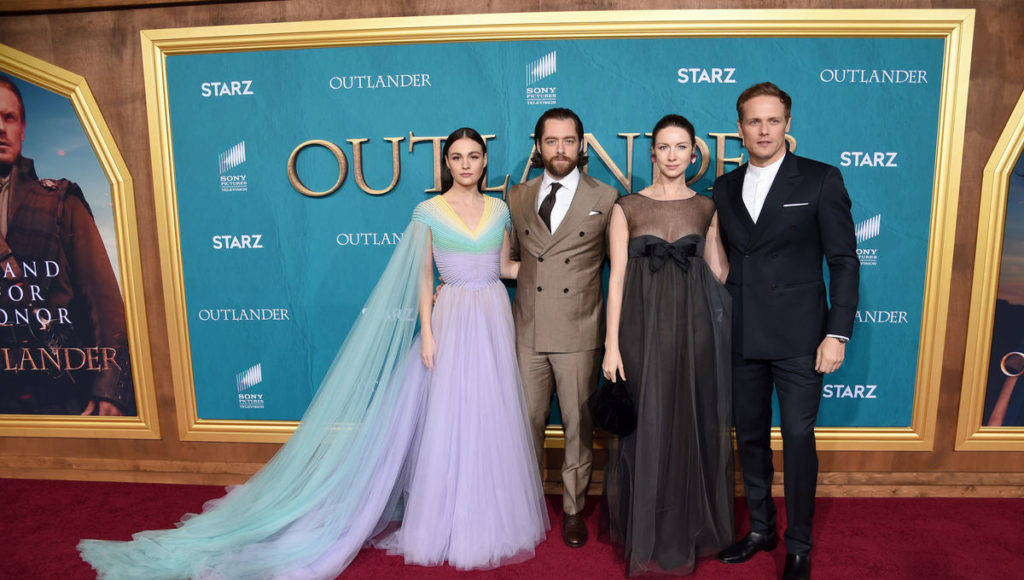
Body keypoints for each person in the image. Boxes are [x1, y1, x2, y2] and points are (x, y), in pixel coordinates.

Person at [79, 127, 548, 578]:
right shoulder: (428, 211)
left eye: (473, 157)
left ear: (484, 161)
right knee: (448, 417)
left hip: (492, 316)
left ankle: (485, 513)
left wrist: (550, 262)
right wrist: (427, 332)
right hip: (451, 319)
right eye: (457, 157)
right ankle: (443, 519)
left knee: (487, 414)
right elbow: (424, 277)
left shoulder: (500, 210)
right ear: (446, 162)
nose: (465, 164)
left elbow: (505, 266)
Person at [712, 82, 859, 580]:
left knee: (797, 436)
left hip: (802, 337)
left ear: (787, 125)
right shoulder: (724, 187)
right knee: (750, 435)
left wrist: (837, 334)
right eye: (754, 121)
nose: (764, 130)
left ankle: (799, 544)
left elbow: (844, 262)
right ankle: (761, 529)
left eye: (772, 120)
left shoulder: (820, 179)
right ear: (739, 128)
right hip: (743, 333)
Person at [600, 114, 734, 576]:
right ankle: (646, 529)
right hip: (639, 333)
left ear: (694, 155)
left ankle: (683, 526)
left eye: (681, 147)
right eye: (664, 147)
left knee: (687, 423)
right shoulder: (627, 207)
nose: (672, 155)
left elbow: (718, 271)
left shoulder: (707, 207)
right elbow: (616, 280)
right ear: (652, 153)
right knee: (648, 423)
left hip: (694, 333)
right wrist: (611, 345)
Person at [507, 107, 618, 547]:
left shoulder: (606, 197)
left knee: (577, 424)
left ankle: (573, 509)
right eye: (551, 141)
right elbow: (506, 259)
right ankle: (526, 504)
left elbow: (620, 269)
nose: (560, 149)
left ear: (582, 145)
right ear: (538, 146)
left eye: (568, 140)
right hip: (528, 329)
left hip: (579, 330)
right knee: (527, 423)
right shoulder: (517, 196)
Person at [0, 73, 133, 416]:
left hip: (50, 391)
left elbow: (104, 304)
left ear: (22, 129)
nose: (1, 128)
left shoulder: (60, 200)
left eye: (9, 118)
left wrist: (109, 391)